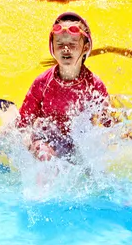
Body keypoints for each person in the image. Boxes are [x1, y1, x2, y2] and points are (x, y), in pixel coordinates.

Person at [14, 12, 116, 161]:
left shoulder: (94, 85)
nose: (65, 49)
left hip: (76, 145)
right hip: (46, 138)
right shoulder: (42, 82)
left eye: (72, 44)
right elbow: (24, 122)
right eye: (60, 44)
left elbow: (110, 123)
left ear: (86, 47)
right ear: (52, 48)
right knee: (44, 153)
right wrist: (28, 143)